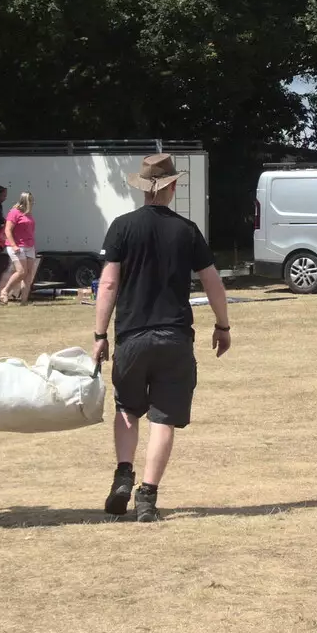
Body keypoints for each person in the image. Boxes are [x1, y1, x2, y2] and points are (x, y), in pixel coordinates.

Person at [90, 153, 232, 522]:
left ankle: (123, 474)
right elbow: (212, 281)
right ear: (171, 187)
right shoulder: (187, 231)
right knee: (163, 418)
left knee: (126, 408)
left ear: (143, 189)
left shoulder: (122, 227)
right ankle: (148, 496)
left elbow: (108, 283)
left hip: (132, 336)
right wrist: (222, 325)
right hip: (174, 337)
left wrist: (99, 334)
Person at [1, 191, 37, 304]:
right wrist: (14, 245)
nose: (32, 203)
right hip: (17, 246)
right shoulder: (14, 212)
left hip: (29, 245)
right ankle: (5, 291)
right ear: (25, 201)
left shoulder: (28, 213)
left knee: (28, 273)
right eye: (31, 201)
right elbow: (7, 230)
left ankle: (24, 301)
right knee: (21, 272)